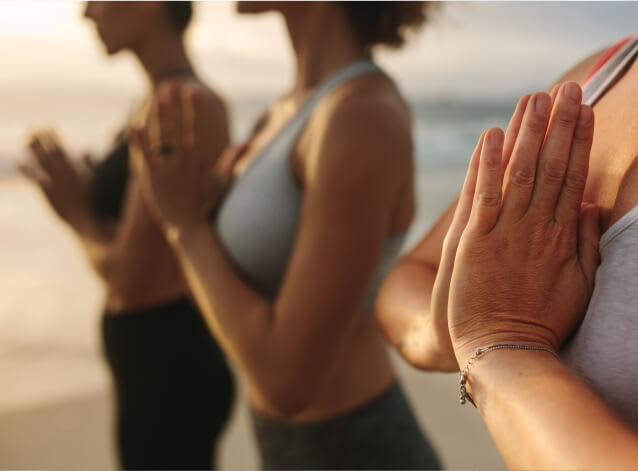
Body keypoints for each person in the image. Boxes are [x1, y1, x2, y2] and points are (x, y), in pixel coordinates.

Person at [376, 2, 638, 467]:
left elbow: (488, 335)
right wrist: (444, 329)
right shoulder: (601, 71)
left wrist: (502, 345)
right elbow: (411, 275)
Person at [129, 2, 441, 469]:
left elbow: (288, 382)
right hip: (284, 446)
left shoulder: (361, 117)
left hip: (356, 449)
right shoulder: (281, 113)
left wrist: (186, 227)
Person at [19, 2, 234, 469]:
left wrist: (76, 213)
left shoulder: (180, 106)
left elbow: (128, 278)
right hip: (158, 367)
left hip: (169, 374)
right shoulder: (157, 102)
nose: (86, 13)